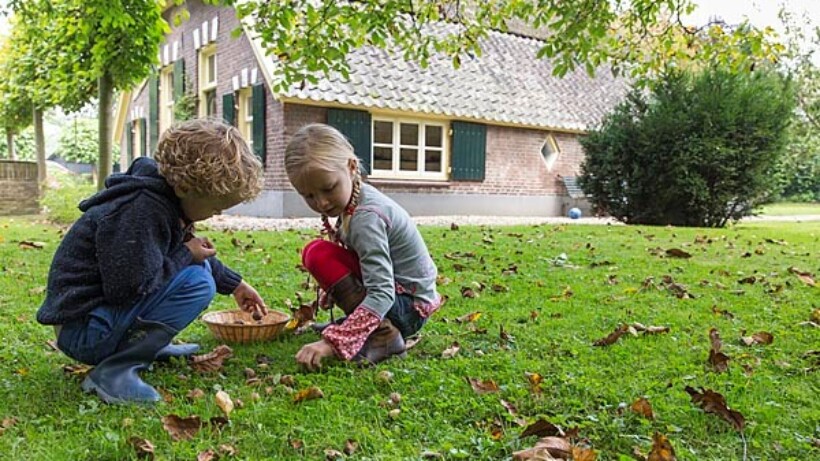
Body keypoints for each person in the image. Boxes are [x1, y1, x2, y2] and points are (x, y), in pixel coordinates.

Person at [36, 119, 267, 404]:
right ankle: (114, 371)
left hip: (96, 320)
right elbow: (130, 288)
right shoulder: (141, 212)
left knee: (196, 268)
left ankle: (147, 346)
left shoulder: (163, 200)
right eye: (216, 205)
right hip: (84, 332)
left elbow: (181, 253)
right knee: (197, 283)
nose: (217, 213)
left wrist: (235, 285)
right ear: (185, 188)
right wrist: (186, 254)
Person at [284, 123, 443, 370]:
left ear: (351, 167)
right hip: (399, 297)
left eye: (328, 188)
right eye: (309, 196)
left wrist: (333, 343)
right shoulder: (357, 196)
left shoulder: (367, 218)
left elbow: (381, 292)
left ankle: (384, 336)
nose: (322, 202)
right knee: (315, 251)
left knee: (318, 254)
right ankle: (361, 323)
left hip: (408, 309)